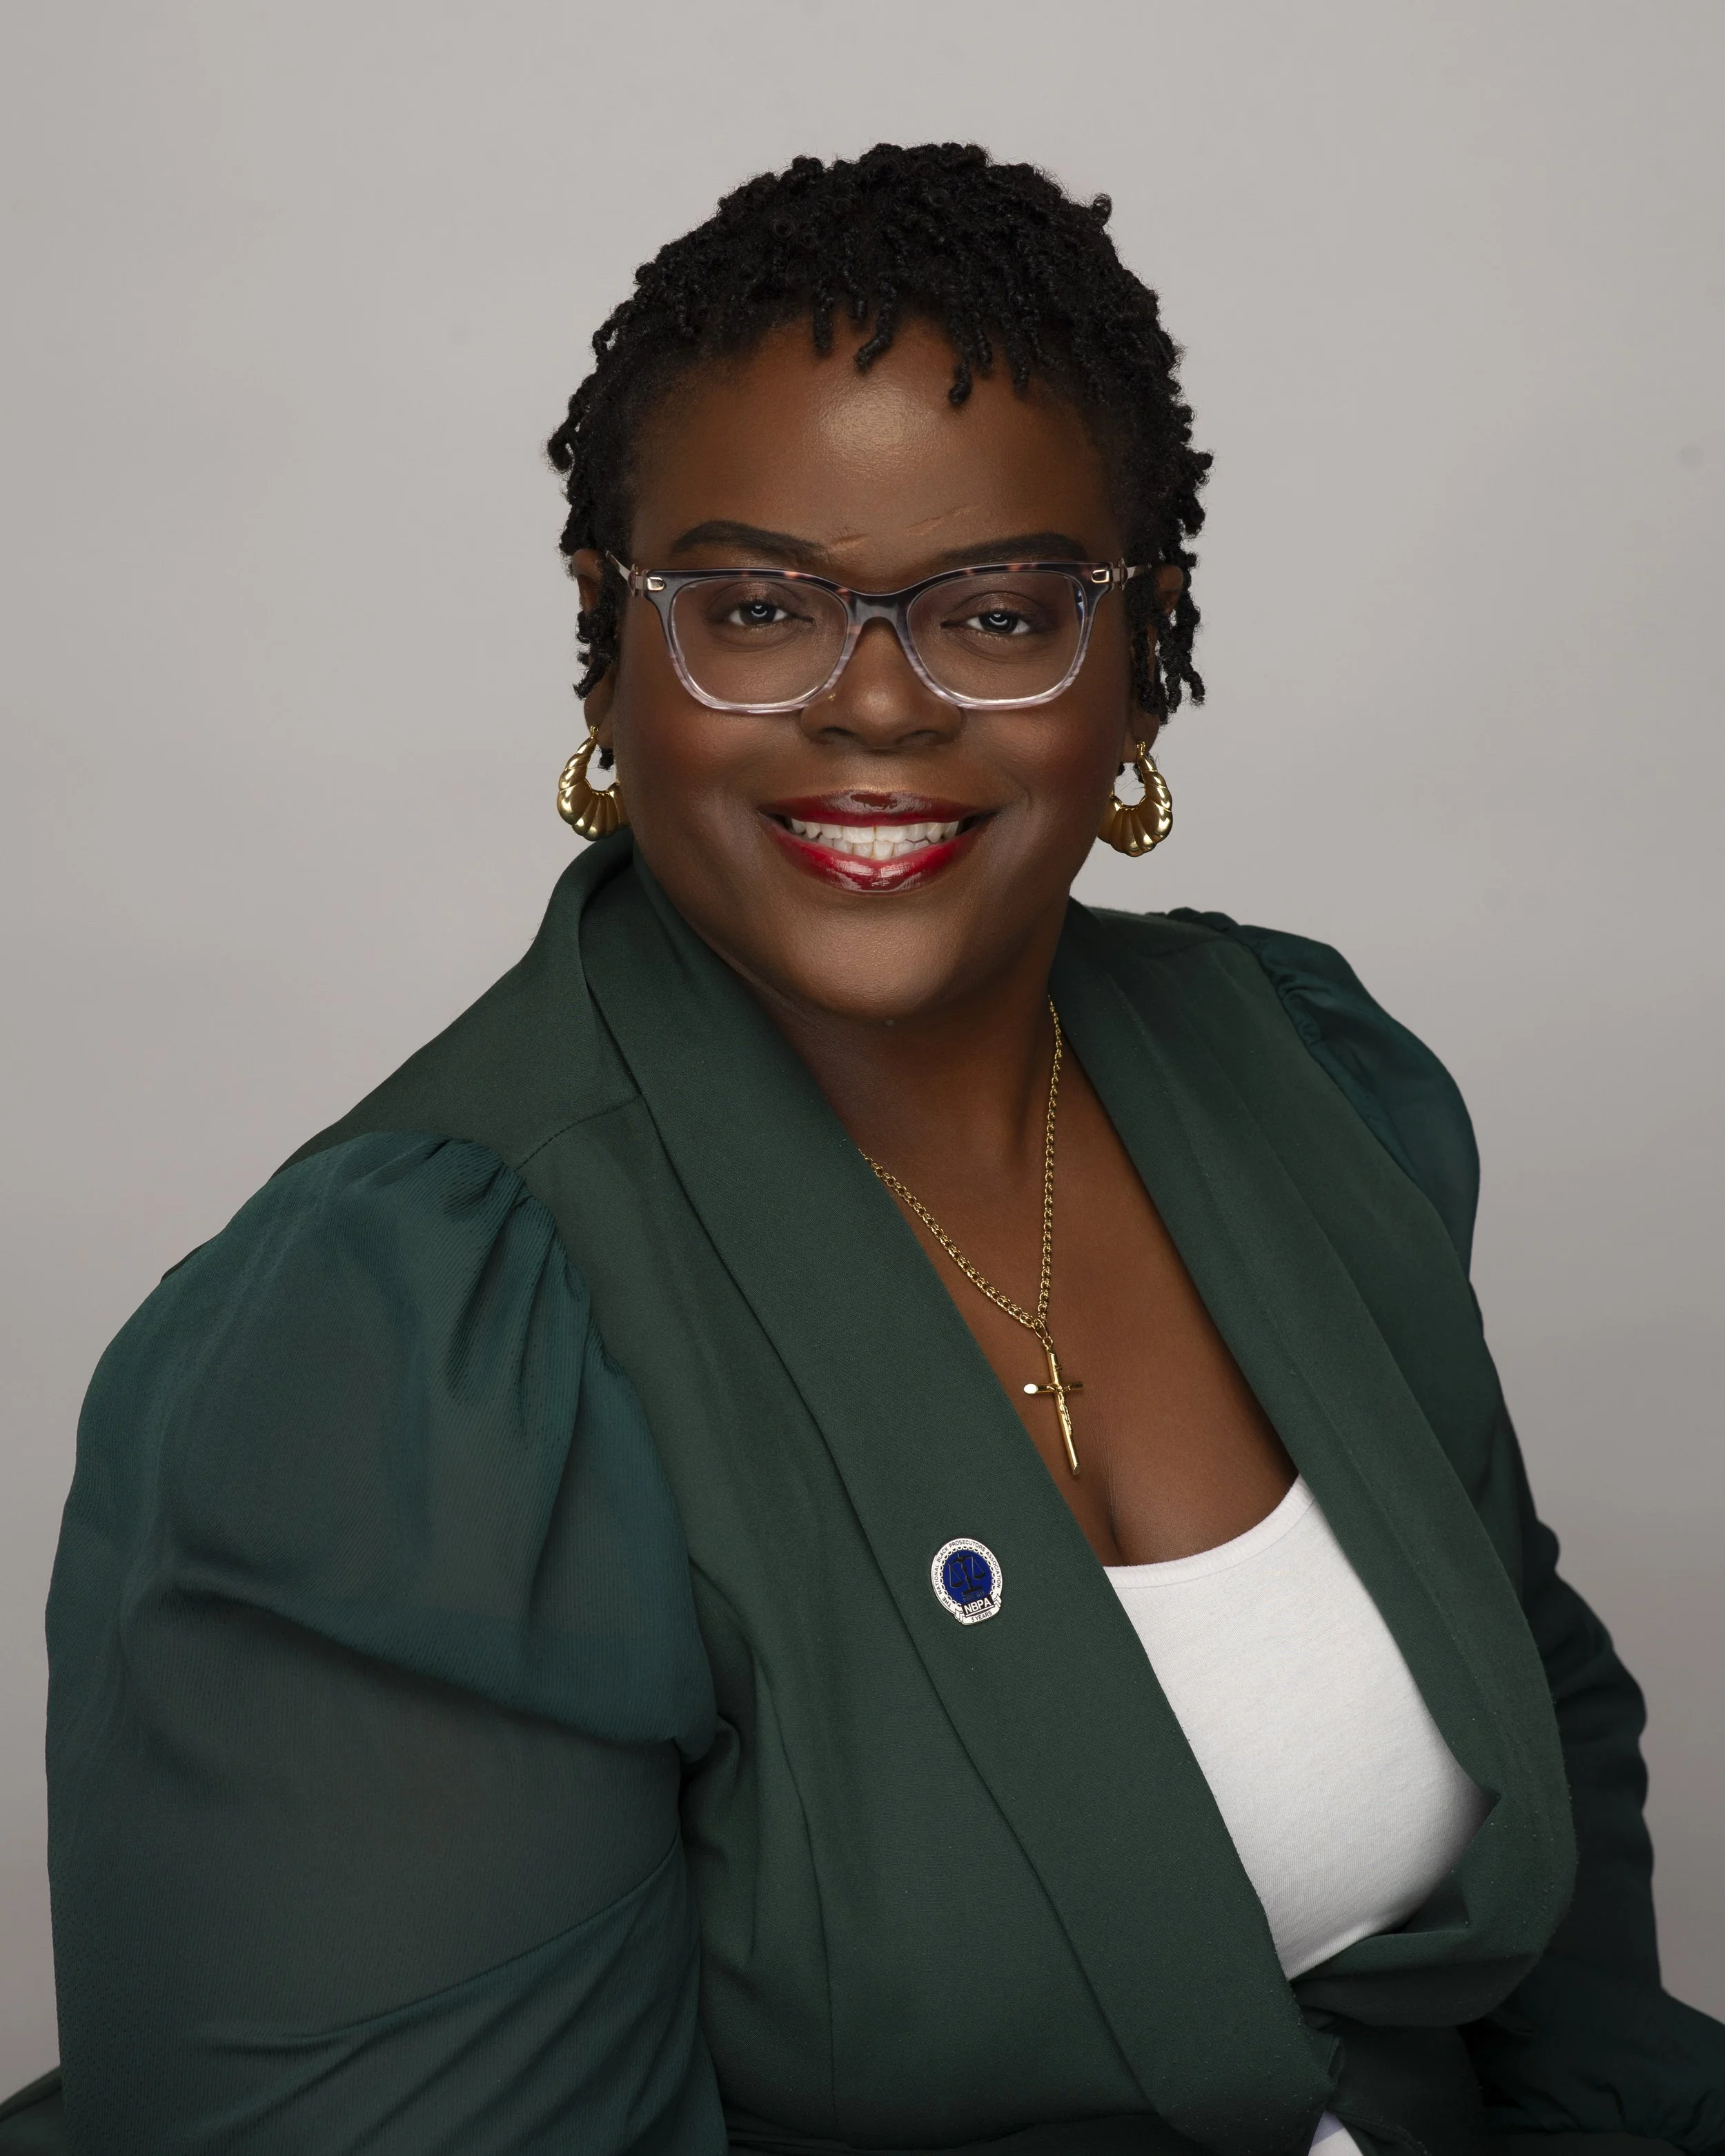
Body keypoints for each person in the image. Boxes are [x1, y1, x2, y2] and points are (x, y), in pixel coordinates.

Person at [5, 143, 1722, 2156]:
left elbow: (1539, 1777)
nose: (875, 705)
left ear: (1139, 647)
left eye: (996, 612)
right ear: (606, 641)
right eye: (753, 606)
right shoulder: (401, 1350)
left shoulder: (1305, 1085)